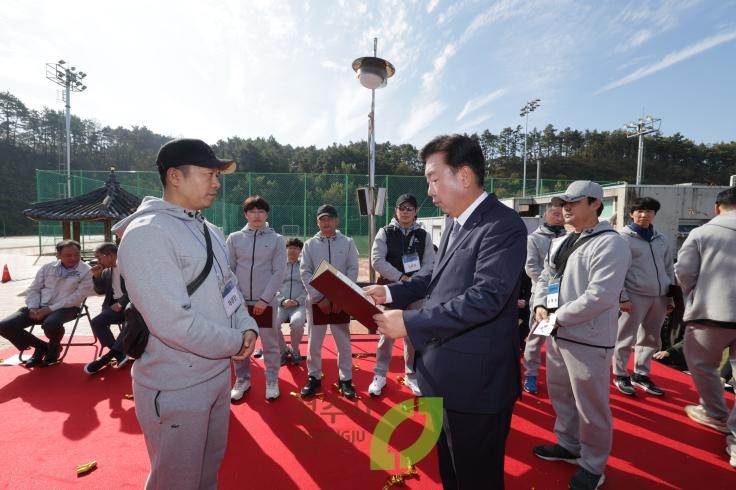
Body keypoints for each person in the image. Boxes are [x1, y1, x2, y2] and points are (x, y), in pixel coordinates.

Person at [365, 134, 527, 489]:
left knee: (476, 478)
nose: (430, 191)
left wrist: (409, 322)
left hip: (476, 384)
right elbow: (434, 280)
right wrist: (390, 291)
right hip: (444, 376)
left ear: (464, 176)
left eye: (434, 179)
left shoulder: (502, 226)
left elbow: (485, 298)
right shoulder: (454, 222)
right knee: (452, 473)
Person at [113, 138, 259, 489]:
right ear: (175, 176)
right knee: (176, 480)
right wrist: (236, 340)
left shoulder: (208, 229)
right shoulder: (147, 234)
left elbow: (230, 289)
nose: (216, 182)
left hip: (214, 375)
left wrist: (247, 325)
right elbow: (173, 323)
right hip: (175, 385)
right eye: (209, 173)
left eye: (217, 175)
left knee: (207, 473)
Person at [532, 180, 630, 490]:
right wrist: (540, 307)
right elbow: (548, 278)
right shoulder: (562, 241)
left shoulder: (611, 243)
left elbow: (600, 295)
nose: (566, 208)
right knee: (561, 395)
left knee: (591, 405)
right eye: (564, 202)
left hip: (588, 338)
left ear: (595, 204)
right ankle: (568, 444)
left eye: (574, 202)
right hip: (559, 333)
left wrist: (557, 317)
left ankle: (593, 465)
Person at [675, 186, 736, 468]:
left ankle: (715, 412)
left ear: (716, 207)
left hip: (710, 313)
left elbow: (684, 272)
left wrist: (694, 296)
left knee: (701, 364)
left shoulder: (703, 232)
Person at [368, 193, 435, 397]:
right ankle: (380, 374)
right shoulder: (385, 232)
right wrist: (400, 278)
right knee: (386, 334)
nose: (405, 212)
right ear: (395, 210)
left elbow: (429, 264)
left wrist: (413, 282)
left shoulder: (424, 235)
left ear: (415, 212)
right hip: (391, 290)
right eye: (402, 208)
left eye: (410, 208)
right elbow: (377, 260)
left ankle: (411, 374)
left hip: (416, 291)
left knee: (413, 335)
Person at [612, 197, 674, 397]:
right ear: (631, 213)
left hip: (659, 296)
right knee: (625, 336)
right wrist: (622, 296)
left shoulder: (660, 238)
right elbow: (617, 270)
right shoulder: (622, 237)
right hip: (634, 295)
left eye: (649, 211)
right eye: (639, 211)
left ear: (654, 214)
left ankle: (641, 373)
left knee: (650, 338)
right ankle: (620, 373)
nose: (644, 215)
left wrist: (670, 297)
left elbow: (668, 269)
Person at [227, 195, 286, 401]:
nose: (257, 215)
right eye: (252, 211)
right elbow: (229, 271)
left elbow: (279, 272)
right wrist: (238, 299)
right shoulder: (234, 238)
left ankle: (272, 379)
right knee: (239, 343)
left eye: (261, 211)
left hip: (266, 302)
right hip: (239, 303)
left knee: (270, 344)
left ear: (266, 214)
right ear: (245, 214)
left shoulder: (277, 240)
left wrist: (264, 299)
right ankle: (242, 379)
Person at [299, 204, 360, 399]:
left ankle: (346, 379)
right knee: (314, 343)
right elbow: (305, 271)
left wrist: (339, 297)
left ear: (337, 220)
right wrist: (319, 298)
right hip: (317, 303)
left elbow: (352, 270)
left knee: (343, 343)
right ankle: (314, 377)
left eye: (329, 219)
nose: (326, 222)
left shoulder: (348, 242)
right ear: (317, 222)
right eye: (322, 219)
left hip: (340, 302)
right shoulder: (310, 244)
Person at [0, 239, 92, 367]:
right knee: (4, 325)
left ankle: (53, 347)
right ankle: (42, 347)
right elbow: (34, 289)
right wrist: (32, 308)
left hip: (67, 308)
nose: (73, 258)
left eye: (77, 254)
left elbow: (78, 297)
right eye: (68, 255)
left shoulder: (87, 271)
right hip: (38, 306)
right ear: (58, 255)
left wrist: (50, 309)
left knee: (52, 324)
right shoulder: (47, 268)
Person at [522, 204, 565, 394]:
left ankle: (561, 377)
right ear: (545, 214)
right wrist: (550, 285)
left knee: (562, 338)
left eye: (562, 214)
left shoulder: (570, 237)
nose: (559, 217)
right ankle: (531, 373)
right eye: (555, 213)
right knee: (538, 336)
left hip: (567, 298)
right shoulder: (534, 238)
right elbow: (531, 267)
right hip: (545, 297)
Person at [83, 242, 131, 374]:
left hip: (133, 305)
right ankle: (117, 353)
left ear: (110, 255)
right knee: (97, 322)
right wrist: (97, 277)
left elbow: (136, 289)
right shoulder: (107, 271)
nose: (97, 261)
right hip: (114, 306)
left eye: (99, 257)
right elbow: (99, 291)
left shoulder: (128, 267)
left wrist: (121, 303)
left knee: (131, 320)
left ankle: (108, 356)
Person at [276, 237, 307, 366]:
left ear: (300, 251)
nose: (292, 251)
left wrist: (298, 301)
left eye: (296, 248)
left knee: (297, 323)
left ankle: (295, 350)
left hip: (298, 305)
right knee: (273, 323)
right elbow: (273, 286)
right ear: (286, 250)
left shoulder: (304, 267)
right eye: (290, 248)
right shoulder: (279, 266)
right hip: (281, 305)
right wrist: (282, 300)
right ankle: (283, 350)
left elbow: (308, 288)